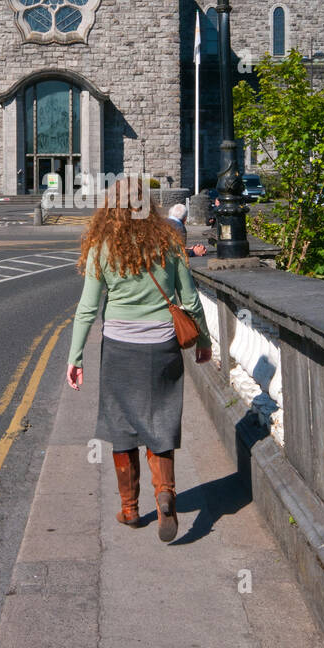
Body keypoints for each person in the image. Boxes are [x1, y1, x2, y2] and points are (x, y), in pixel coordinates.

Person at [66, 177, 213, 542]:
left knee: (122, 426)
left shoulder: (103, 246)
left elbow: (87, 308)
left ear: (112, 208)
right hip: (162, 343)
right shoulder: (169, 242)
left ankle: (130, 509)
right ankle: (165, 494)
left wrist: (76, 357)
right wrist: (204, 341)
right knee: (160, 422)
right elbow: (190, 299)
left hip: (119, 346)